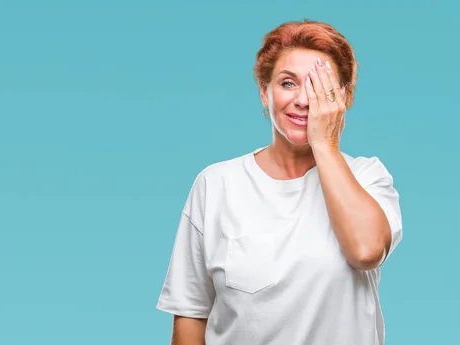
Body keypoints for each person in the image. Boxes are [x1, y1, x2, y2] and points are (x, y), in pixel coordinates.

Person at [155, 19, 403, 345]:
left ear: (343, 98)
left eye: (319, 86)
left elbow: (366, 250)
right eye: (288, 83)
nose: (303, 100)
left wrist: (325, 145)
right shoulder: (216, 185)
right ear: (264, 92)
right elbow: (190, 317)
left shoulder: (368, 177)